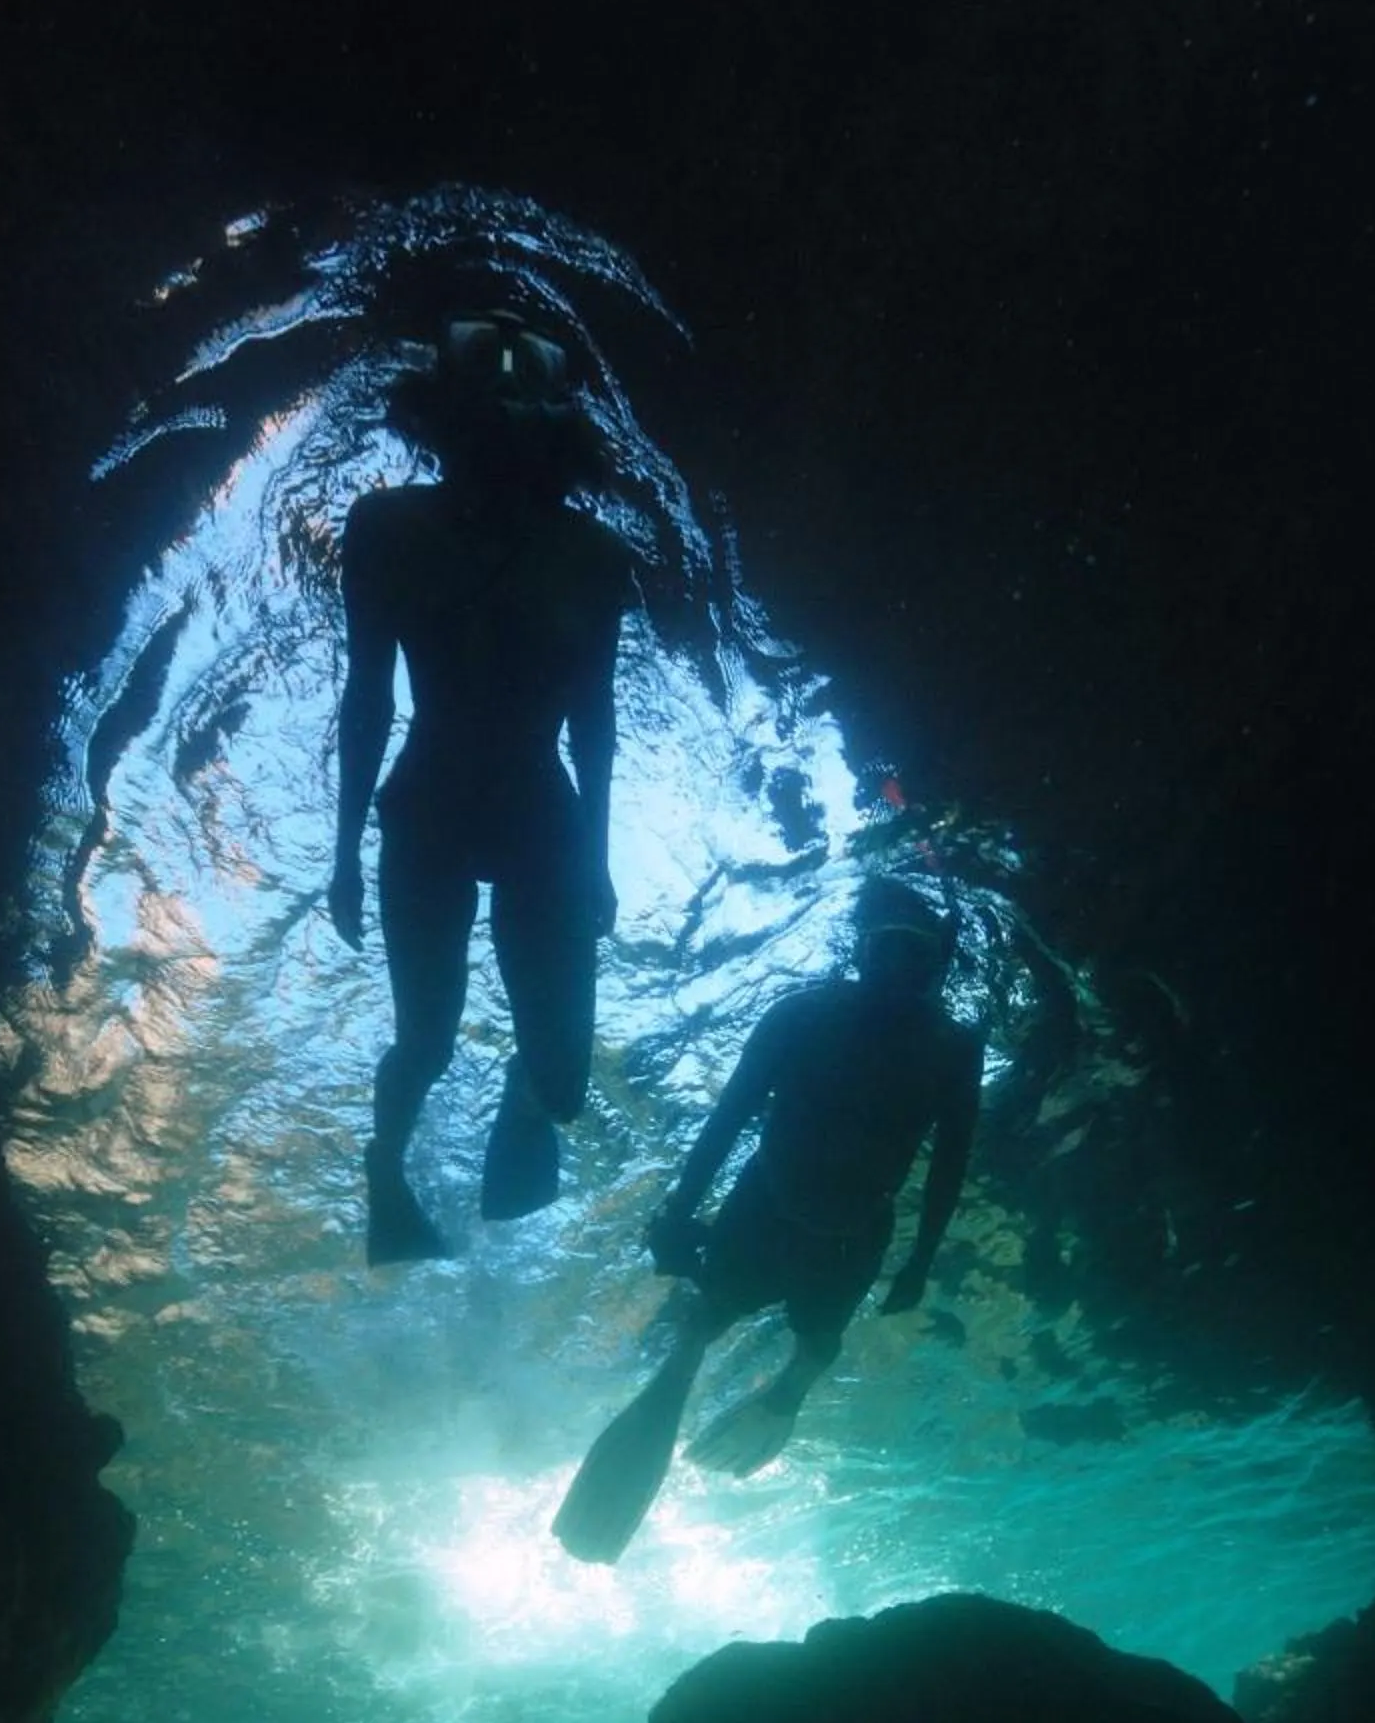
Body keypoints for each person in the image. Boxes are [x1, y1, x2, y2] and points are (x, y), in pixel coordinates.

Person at [553, 876, 984, 1565]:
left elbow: (949, 1166)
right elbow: (727, 1119)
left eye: (912, 954)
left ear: (934, 965)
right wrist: (677, 1212)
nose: (896, 969)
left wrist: (921, 1262)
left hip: (846, 1233)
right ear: (862, 953)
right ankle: (728, 1384)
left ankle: (784, 1395)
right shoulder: (804, 1017)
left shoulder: (953, 1049)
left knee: (807, 1344)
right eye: (886, 950)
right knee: (705, 1327)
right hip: (767, 1212)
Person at [329, 315, 634, 1263]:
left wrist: (596, 860)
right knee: (424, 1042)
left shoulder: (591, 554)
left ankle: (523, 1099)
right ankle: (387, 1172)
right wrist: (343, 854)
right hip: (435, 807)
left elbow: (595, 719)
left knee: (564, 1086)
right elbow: (367, 696)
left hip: (533, 814)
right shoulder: (388, 528)